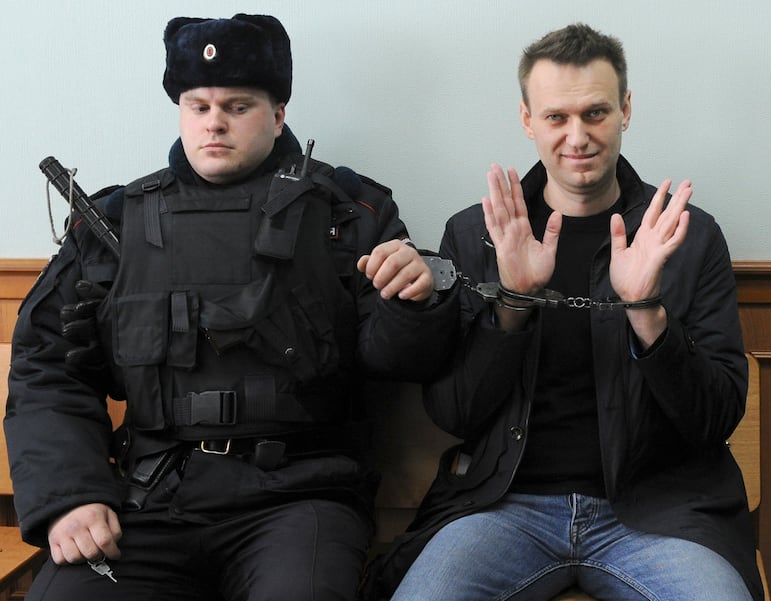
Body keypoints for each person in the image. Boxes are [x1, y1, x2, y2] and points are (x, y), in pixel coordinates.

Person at [5, 14, 458, 601]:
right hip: (151, 497)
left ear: (278, 113)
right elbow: (46, 366)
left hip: (300, 498)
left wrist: (415, 300)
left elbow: (398, 359)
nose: (214, 122)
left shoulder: (348, 212)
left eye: (238, 106)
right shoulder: (114, 221)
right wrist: (70, 495)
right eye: (198, 106)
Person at [365, 23, 763, 601]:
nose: (577, 137)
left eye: (596, 113)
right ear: (528, 120)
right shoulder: (476, 235)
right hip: (504, 506)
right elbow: (455, 412)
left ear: (626, 110)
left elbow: (714, 417)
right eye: (556, 117)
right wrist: (514, 304)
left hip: (659, 513)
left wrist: (646, 310)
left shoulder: (687, 237)